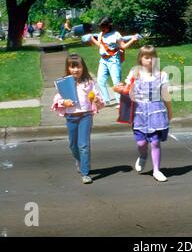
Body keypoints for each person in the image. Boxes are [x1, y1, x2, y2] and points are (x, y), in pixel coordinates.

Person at [113, 45, 173, 182]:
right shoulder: (135, 73)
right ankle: (143, 156)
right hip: (139, 112)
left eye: (152, 57)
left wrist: (170, 111)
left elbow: (165, 95)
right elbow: (127, 90)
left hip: (156, 111)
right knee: (141, 143)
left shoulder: (161, 75)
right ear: (141, 58)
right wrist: (119, 89)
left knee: (155, 142)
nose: (150, 60)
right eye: (147, 57)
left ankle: (157, 170)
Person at [51, 53, 105, 184]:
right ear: (68, 68)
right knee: (73, 145)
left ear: (83, 67)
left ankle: (85, 173)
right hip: (71, 117)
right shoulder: (65, 83)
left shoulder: (89, 83)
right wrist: (64, 102)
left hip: (85, 115)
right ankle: (79, 160)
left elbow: (99, 99)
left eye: (78, 67)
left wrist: (96, 99)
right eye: (72, 67)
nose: (76, 70)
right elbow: (58, 99)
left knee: (84, 145)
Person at [89, 16, 139, 107]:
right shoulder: (101, 34)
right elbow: (100, 45)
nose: (102, 28)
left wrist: (132, 40)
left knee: (116, 81)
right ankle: (106, 100)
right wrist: (92, 39)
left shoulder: (116, 34)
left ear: (109, 25)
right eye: (101, 27)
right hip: (103, 60)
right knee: (100, 80)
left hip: (113, 60)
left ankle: (120, 102)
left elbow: (122, 46)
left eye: (104, 26)